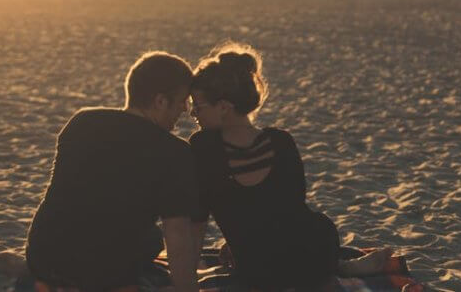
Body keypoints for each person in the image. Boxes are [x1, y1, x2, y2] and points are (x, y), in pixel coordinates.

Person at [188, 42, 392, 290]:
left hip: (258, 268)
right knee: (314, 230)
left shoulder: (203, 147)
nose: (192, 115)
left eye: (197, 106)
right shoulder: (280, 141)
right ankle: (339, 267)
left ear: (223, 107)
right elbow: (286, 209)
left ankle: (339, 268)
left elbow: (198, 220)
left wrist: (187, 277)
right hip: (312, 251)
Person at [24, 51, 200, 292]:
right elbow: (177, 232)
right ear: (160, 101)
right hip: (102, 273)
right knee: (151, 239)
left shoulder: (81, 122)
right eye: (182, 101)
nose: (185, 109)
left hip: (42, 257)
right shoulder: (174, 151)